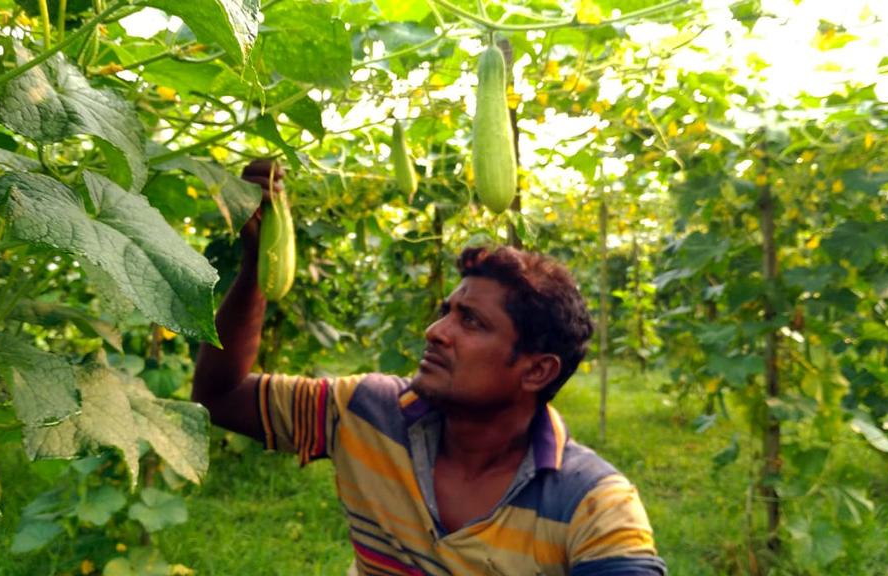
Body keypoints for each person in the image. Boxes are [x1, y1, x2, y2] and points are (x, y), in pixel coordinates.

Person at [192, 160, 667, 576]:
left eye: (472, 322)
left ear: (537, 371)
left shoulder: (595, 505)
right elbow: (219, 396)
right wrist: (258, 261)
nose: (436, 331)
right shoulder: (364, 412)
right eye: (447, 311)